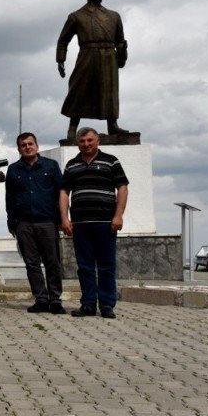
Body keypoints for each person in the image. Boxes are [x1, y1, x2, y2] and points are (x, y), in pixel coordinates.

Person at [59, 127, 129, 319]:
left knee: (107, 266)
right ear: (77, 143)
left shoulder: (111, 161)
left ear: (98, 141)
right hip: (80, 225)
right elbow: (64, 192)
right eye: (82, 141)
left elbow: (122, 187)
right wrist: (64, 219)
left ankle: (107, 305)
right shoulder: (71, 165)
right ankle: (88, 304)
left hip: (105, 223)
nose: (86, 144)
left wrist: (118, 215)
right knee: (85, 267)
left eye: (90, 140)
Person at [57, 0, 133, 141]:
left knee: (110, 91)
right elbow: (63, 40)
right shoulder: (77, 16)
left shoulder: (114, 16)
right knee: (79, 89)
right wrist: (60, 59)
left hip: (108, 57)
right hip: (87, 55)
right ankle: (72, 127)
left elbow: (120, 39)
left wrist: (121, 52)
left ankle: (112, 124)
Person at [6, 132, 66, 314]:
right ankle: (41, 299)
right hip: (24, 223)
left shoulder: (51, 166)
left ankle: (55, 300)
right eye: (23, 145)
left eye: (30, 144)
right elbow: (9, 197)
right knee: (31, 263)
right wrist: (12, 222)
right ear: (19, 149)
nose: (27, 147)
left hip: (47, 221)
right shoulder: (14, 169)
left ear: (37, 146)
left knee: (52, 262)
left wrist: (61, 219)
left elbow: (61, 193)